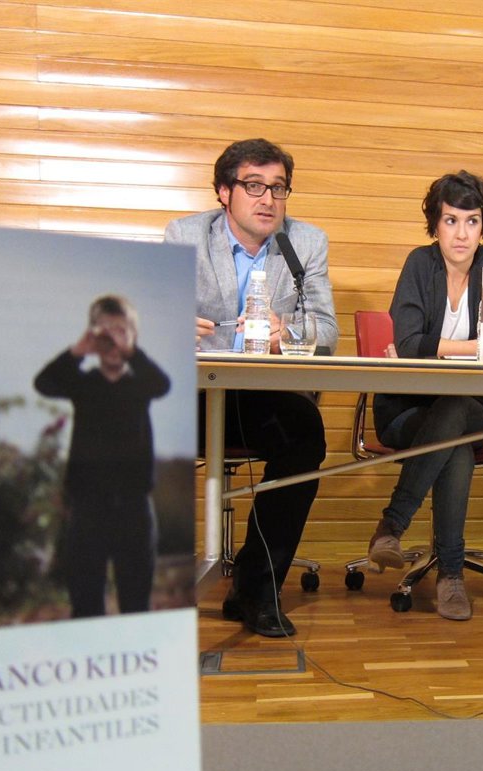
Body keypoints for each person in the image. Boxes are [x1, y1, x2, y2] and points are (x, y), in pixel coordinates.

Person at [166, 138, 337, 637]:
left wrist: (293, 332)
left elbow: (326, 331)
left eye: (278, 188)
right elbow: (150, 316)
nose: (268, 199)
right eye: (254, 186)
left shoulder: (305, 243)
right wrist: (171, 324)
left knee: (305, 435)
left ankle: (258, 588)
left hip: (263, 394)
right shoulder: (185, 236)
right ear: (224, 192)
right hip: (195, 395)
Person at [364, 171, 483, 621]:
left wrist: (437, 346)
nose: (461, 233)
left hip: (473, 407)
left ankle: (393, 524)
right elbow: (407, 344)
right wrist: (474, 347)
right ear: (435, 224)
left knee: (457, 409)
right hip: (406, 411)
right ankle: (451, 575)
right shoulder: (419, 265)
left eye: (472, 221)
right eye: (450, 220)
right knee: (455, 443)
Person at [34, 295, 171, 618]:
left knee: (136, 603)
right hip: (87, 506)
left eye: (121, 331)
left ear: (134, 337)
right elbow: (44, 383)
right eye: (105, 332)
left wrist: (131, 352)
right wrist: (78, 351)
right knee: (85, 603)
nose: (112, 341)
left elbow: (162, 384)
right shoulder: (85, 385)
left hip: (135, 506)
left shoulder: (140, 385)